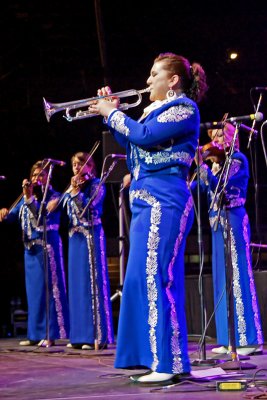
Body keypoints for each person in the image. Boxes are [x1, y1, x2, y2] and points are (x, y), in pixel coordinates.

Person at [88, 52, 208, 383]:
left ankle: (167, 364)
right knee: (141, 280)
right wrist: (108, 112)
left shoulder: (184, 108)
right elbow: (135, 141)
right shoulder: (154, 113)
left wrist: (112, 113)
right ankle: (161, 358)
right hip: (145, 201)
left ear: (173, 80)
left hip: (165, 199)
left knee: (156, 278)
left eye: (154, 74)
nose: (147, 80)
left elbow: (143, 136)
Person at [192, 122, 263, 356]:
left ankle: (247, 339)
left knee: (237, 274)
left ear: (232, 137)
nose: (216, 142)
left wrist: (204, 166)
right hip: (216, 224)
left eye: (221, 136)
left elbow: (221, 189)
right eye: (213, 137)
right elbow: (201, 189)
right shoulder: (217, 165)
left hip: (232, 219)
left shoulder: (237, 160)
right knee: (222, 279)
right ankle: (228, 338)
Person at [0, 160, 69, 347]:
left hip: (47, 248)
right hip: (30, 250)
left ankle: (51, 333)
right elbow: (13, 216)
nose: (37, 178)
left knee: (50, 290)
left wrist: (29, 197)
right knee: (34, 293)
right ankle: (35, 333)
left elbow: (40, 218)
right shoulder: (26, 197)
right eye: (35, 175)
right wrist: (5, 212)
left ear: (48, 177)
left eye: (41, 175)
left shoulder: (53, 197)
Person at [50, 152, 114, 350]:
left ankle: (96, 335)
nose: (77, 167)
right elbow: (55, 207)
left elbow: (88, 207)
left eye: (80, 164)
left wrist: (77, 192)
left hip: (90, 236)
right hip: (74, 239)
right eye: (74, 164)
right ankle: (78, 336)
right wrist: (59, 199)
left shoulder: (96, 185)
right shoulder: (72, 186)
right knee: (77, 286)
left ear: (90, 166)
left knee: (91, 284)